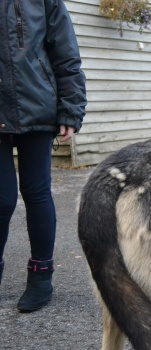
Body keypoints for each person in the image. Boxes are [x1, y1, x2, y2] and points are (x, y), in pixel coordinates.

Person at [0, 0, 86, 312]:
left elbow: (65, 52)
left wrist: (71, 108)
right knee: (2, 199)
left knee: (36, 191)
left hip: (35, 102)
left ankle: (41, 274)